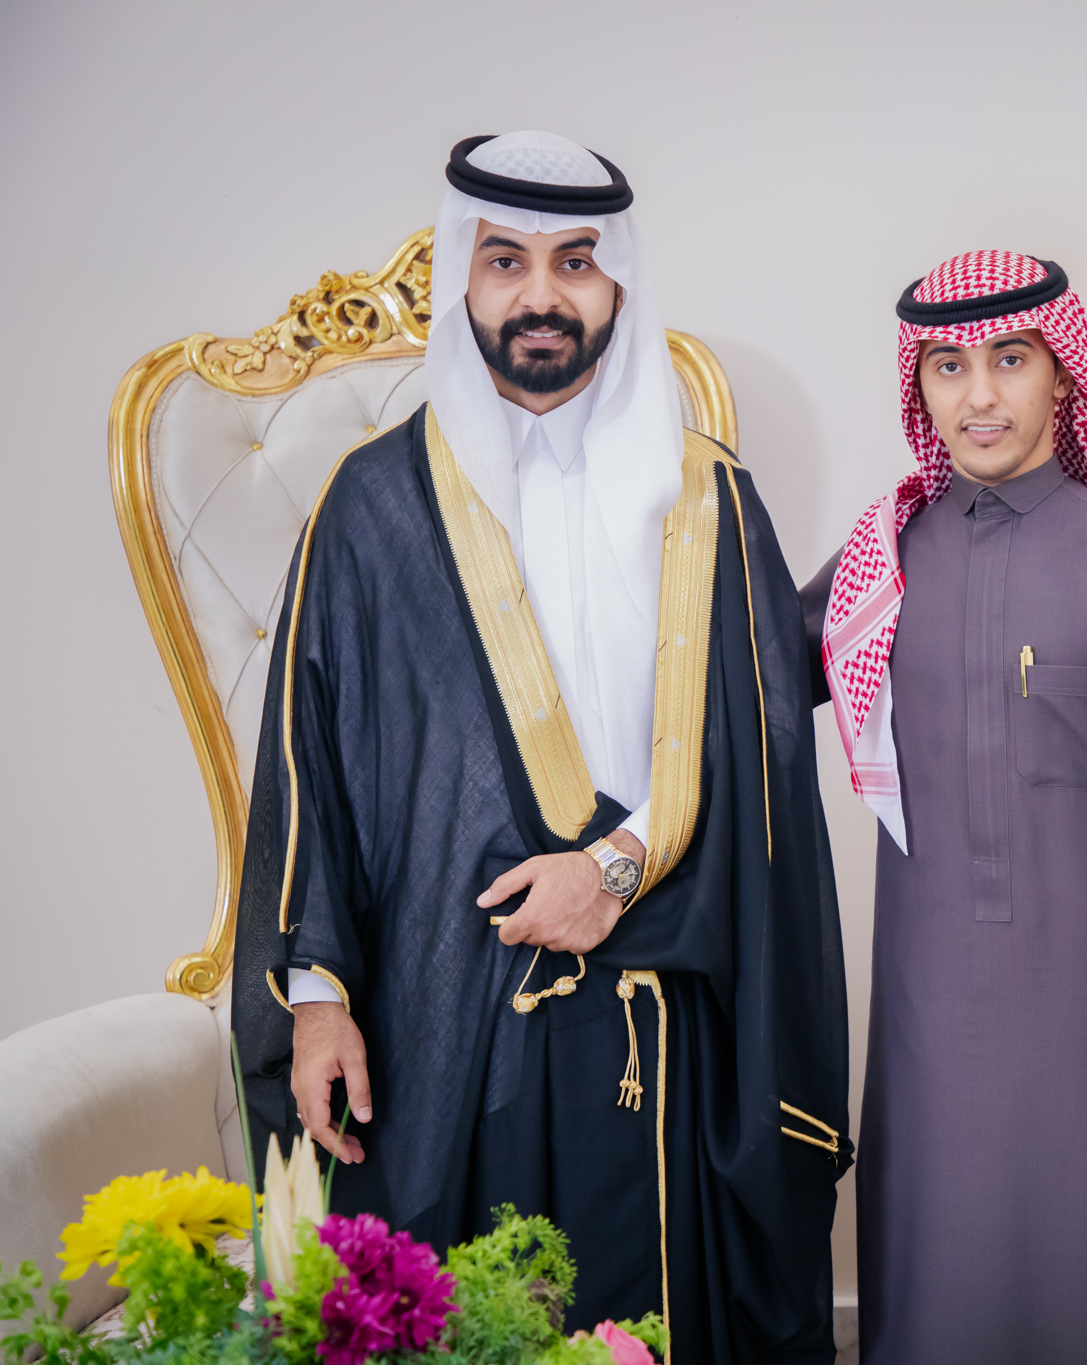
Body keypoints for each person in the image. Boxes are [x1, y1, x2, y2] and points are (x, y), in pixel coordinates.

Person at [231, 132, 850, 1360]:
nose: (541, 295)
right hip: (443, 1024)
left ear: (619, 282)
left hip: (668, 1023)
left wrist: (611, 871)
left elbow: (762, 754)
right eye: (504, 260)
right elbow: (310, 771)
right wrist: (318, 1004)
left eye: (575, 261)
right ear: (461, 278)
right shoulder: (372, 506)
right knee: (473, 1314)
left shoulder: (707, 499)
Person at [800, 251, 1087, 1362]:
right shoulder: (879, 564)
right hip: (928, 1052)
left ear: (1060, 373)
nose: (978, 395)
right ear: (917, 385)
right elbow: (727, 679)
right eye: (947, 366)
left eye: (1008, 359)